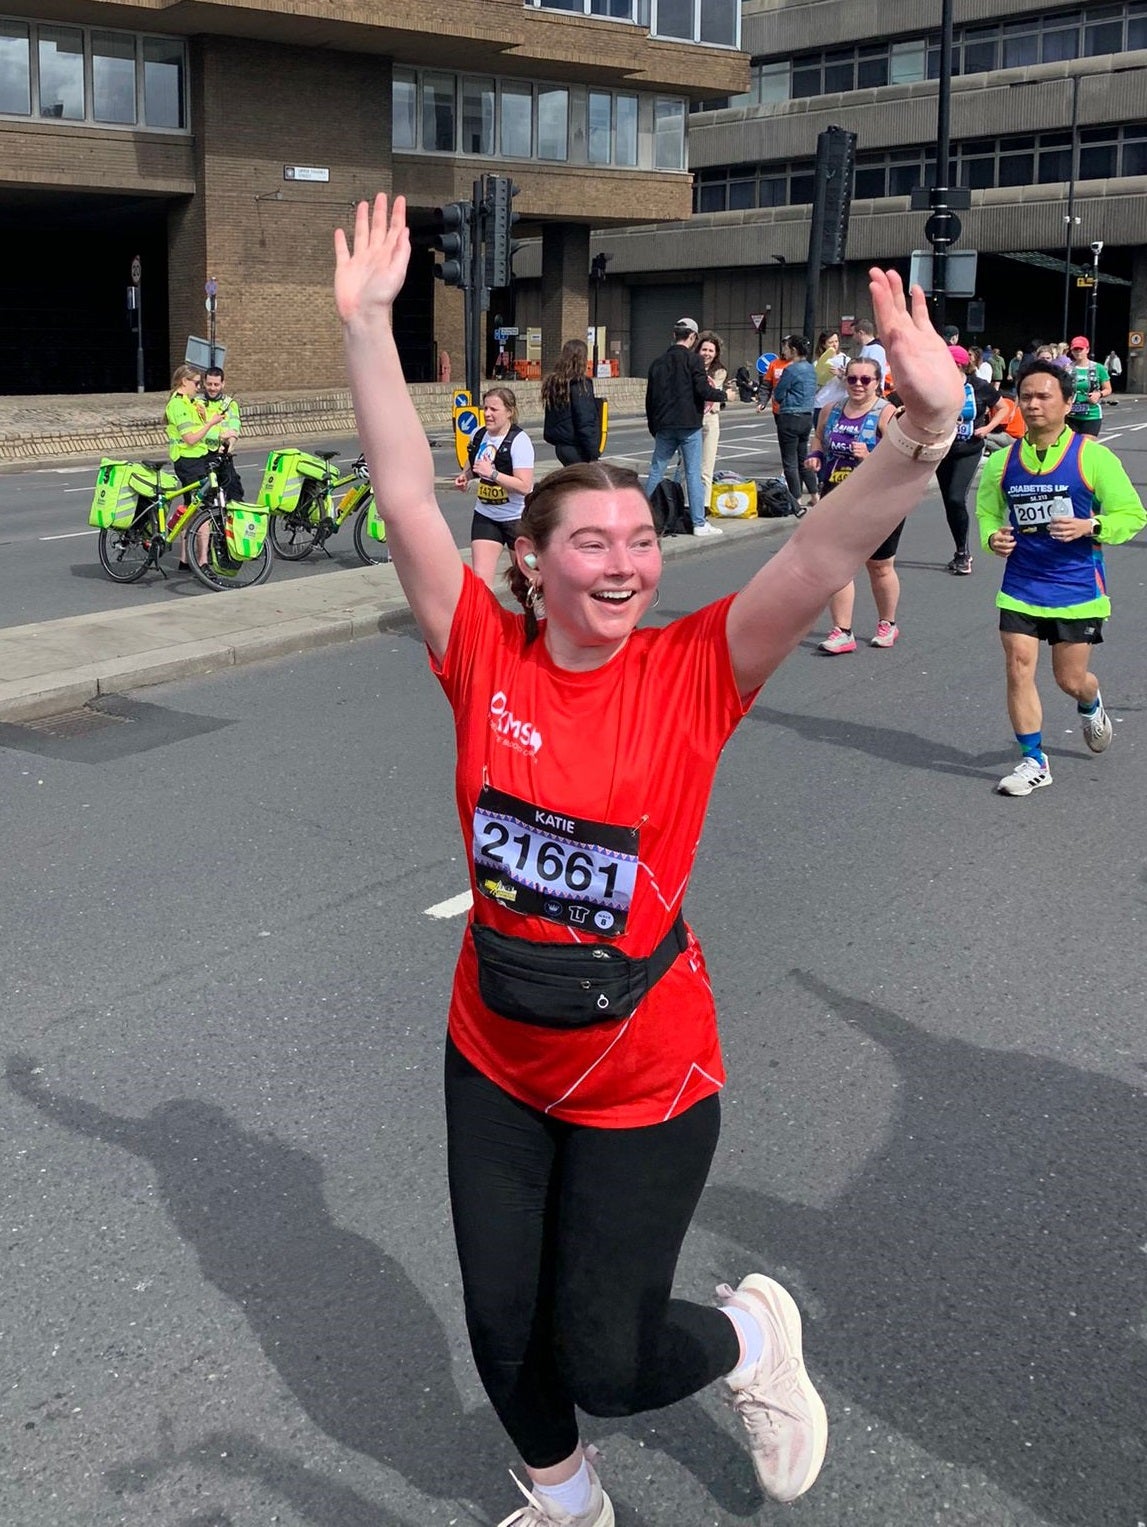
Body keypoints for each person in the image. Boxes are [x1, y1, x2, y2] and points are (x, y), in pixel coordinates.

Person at [334, 192, 962, 1527]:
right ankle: (565, 1501)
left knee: (607, 1359)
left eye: (639, 540)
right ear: (531, 563)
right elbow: (401, 491)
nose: (627, 563)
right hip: (494, 1051)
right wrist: (366, 326)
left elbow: (819, 544)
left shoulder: (694, 669)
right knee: (502, 1326)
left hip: (640, 1070)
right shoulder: (477, 651)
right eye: (593, 542)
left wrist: (922, 430)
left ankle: (749, 1337)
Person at [975, 359, 1145, 798]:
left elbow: (1132, 514)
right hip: (1021, 582)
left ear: (1068, 403)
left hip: (1077, 586)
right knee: (1018, 667)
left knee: (1070, 679)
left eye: (1044, 396)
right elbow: (989, 511)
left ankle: (1090, 702)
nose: (1033, 404)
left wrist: (1092, 526)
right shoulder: (1003, 462)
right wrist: (993, 537)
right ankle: (1034, 760)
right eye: (1026, 396)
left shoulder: (1093, 457)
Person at [805, 355, 899, 651]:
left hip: (878, 500)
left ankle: (888, 623)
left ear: (877, 383)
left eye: (865, 380)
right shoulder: (831, 410)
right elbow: (819, 437)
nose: (858, 384)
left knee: (879, 566)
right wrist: (816, 455)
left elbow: (900, 460)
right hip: (838, 495)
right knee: (837, 564)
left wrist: (870, 457)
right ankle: (842, 631)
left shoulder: (887, 413)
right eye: (852, 379)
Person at [644, 317, 726, 537]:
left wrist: (654, 427)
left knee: (656, 470)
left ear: (674, 335)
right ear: (692, 337)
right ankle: (699, 523)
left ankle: (645, 519)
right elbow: (703, 390)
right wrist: (724, 395)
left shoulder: (657, 363)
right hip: (689, 425)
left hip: (664, 425)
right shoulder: (694, 361)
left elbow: (650, 399)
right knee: (693, 473)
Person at [935, 344, 1008, 575]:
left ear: (958, 365)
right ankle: (960, 550)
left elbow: (1003, 408)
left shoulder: (978, 386)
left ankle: (963, 555)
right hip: (942, 451)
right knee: (950, 502)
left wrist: (987, 428)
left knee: (956, 498)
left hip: (969, 449)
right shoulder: (937, 386)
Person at [455, 386, 535, 587]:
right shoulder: (478, 434)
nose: (487, 414)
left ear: (509, 412)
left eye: (494, 409)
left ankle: (536, 607)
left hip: (517, 518)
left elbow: (525, 486)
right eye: (485, 408)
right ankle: (485, 609)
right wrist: (465, 476)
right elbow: (472, 463)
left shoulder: (519, 441)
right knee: (480, 581)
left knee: (527, 579)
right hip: (486, 515)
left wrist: (493, 474)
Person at [165, 363, 226, 571]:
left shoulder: (190, 403)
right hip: (188, 461)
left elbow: (201, 433)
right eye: (197, 383)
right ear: (184, 381)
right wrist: (210, 423)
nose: (199, 387)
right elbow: (190, 438)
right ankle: (202, 561)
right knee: (204, 510)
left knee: (191, 509)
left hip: (198, 459)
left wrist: (212, 427)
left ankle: (184, 559)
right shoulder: (177, 405)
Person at [772, 335, 819, 513]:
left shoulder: (791, 370)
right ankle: (814, 494)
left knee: (789, 461)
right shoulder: (811, 369)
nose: (784, 351)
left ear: (793, 350)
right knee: (803, 457)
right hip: (807, 416)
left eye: (786, 348)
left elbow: (779, 393)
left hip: (790, 415)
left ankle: (796, 498)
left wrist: (781, 398)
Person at [541, 339, 600, 467]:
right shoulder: (580, 385)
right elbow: (585, 420)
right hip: (576, 446)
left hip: (561, 445)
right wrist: (593, 453)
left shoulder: (555, 383)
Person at [696, 330, 728, 512]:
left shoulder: (719, 372)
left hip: (710, 419)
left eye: (711, 350)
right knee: (686, 467)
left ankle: (704, 505)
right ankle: (686, 504)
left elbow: (712, 392)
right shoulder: (690, 366)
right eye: (704, 349)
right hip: (691, 419)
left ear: (716, 354)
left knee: (706, 467)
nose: (707, 354)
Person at [201, 365, 244, 500]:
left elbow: (235, 427)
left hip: (223, 456)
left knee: (234, 493)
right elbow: (198, 430)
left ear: (223, 384)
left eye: (216, 384)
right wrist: (220, 436)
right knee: (206, 498)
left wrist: (229, 444)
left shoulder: (230, 404)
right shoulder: (197, 403)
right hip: (204, 455)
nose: (212, 388)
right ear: (204, 383)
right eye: (209, 384)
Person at [1065, 336, 1111, 436]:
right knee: (1072, 444)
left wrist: (1098, 394)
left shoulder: (1098, 368)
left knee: (1087, 443)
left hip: (1092, 414)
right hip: (1071, 415)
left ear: (1087, 350)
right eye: (1075, 349)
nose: (1078, 352)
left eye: (1080, 349)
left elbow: (1108, 389)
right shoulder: (1067, 369)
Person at [813, 330, 847, 411]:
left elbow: (852, 383)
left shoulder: (846, 360)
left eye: (836, 341)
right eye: (830, 342)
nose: (834, 345)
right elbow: (813, 387)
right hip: (821, 403)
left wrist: (842, 375)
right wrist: (821, 380)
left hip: (839, 403)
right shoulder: (817, 363)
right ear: (823, 344)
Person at [852, 317, 887, 390]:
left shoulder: (876, 349)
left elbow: (873, 372)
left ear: (861, 333)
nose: (853, 337)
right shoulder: (867, 347)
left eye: (854, 334)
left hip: (872, 390)